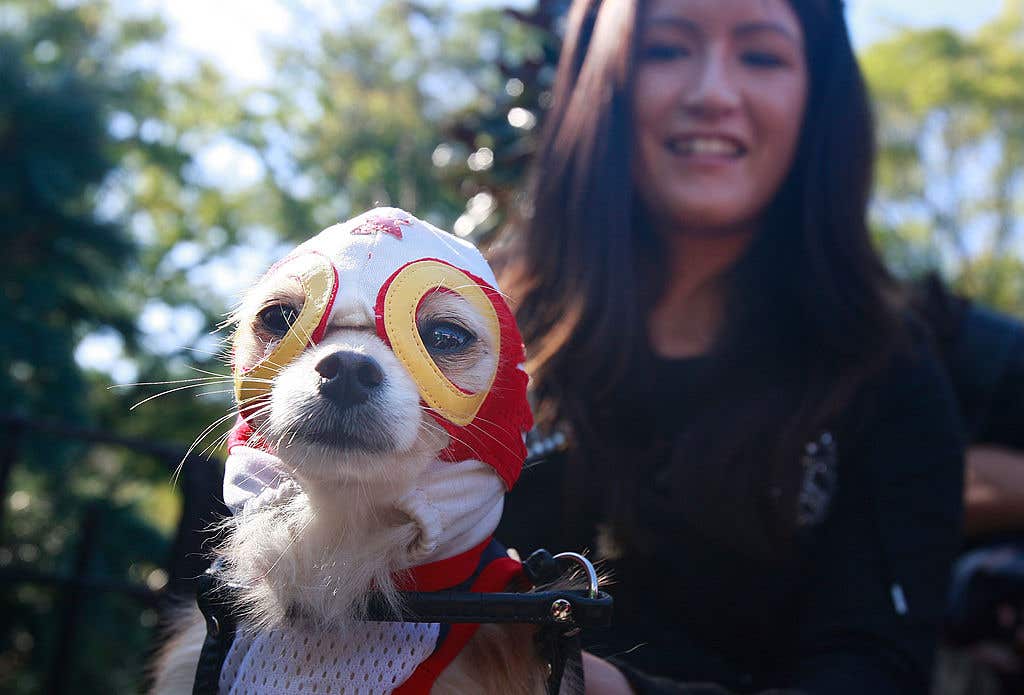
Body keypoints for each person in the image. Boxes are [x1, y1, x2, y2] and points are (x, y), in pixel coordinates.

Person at [492, 0, 966, 693]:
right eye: (667, 50)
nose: (712, 92)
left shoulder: (887, 370)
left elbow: (873, 666)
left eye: (762, 55)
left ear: (820, 95)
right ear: (601, 77)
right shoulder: (464, 321)